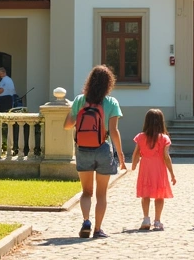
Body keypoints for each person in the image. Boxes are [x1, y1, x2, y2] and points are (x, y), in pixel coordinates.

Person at [64, 65, 125, 239]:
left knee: (86, 192)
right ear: (109, 84)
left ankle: (85, 222)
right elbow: (114, 131)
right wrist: (120, 156)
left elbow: (67, 125)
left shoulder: (79, 100)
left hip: (83, 148)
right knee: (101, 193)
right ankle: (98, 229)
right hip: (103, 148)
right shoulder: (112, 103)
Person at [132, 108, 176, 231]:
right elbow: (166, 157)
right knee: (159, 195)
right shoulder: (164, 138)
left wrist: (134, 165)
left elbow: (136, 153)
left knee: (145, 194)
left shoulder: (140, 137)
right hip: (159, 169)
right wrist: (172, 173)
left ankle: (146, 219)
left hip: (145, 168)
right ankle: (157, 221)